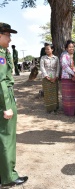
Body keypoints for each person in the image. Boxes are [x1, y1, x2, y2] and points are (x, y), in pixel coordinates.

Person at [0, 22, 28, 187]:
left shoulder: (3, 52)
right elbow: (1, 82)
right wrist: (6, 106)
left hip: (5, 96)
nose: (10, 38)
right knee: (6, 139)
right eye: (7, 35)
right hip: (4, 98)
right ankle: (9, 177)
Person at [40, 44, 60, 113]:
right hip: (46, 78)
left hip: (54, 78)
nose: (47, 50)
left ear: (52, 49)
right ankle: (49, 109)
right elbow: (42, 67)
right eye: (46, 49)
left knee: (54, 93)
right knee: (48, 93)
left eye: (48, 49)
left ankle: (55, 108)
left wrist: (56, 76)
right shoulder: (43, 58)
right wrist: (46, 76)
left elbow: (58, 68)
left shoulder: (56, 58)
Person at [60, 40, 75, 116]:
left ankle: (73, 111)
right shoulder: (64, 56)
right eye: (69, 47)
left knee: (74, 96)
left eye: (73, 47)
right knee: (67, 96)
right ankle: (68, 112)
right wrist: (74, 74)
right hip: (67, 79)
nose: (71, 48)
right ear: (66, 48)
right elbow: (65, 66)